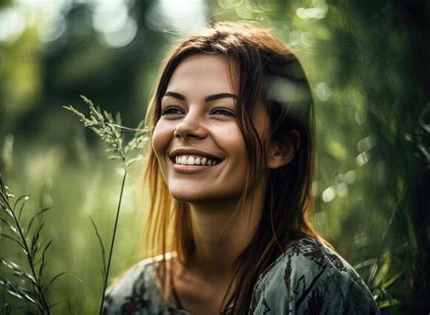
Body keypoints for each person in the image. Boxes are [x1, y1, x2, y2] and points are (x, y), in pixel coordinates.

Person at [103, 22, 379, 315]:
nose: (184, 127)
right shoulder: (129, 299)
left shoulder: (314, 286)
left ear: (280, 148)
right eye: (173, 110)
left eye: (222, 111)